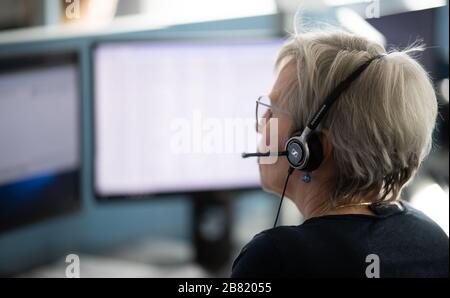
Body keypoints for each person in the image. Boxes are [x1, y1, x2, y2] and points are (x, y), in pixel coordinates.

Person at [232, 30, 449, 278]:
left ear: (308, 148)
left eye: (272, 112)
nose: (260, 124)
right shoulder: (432, 239)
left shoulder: (277, 259)